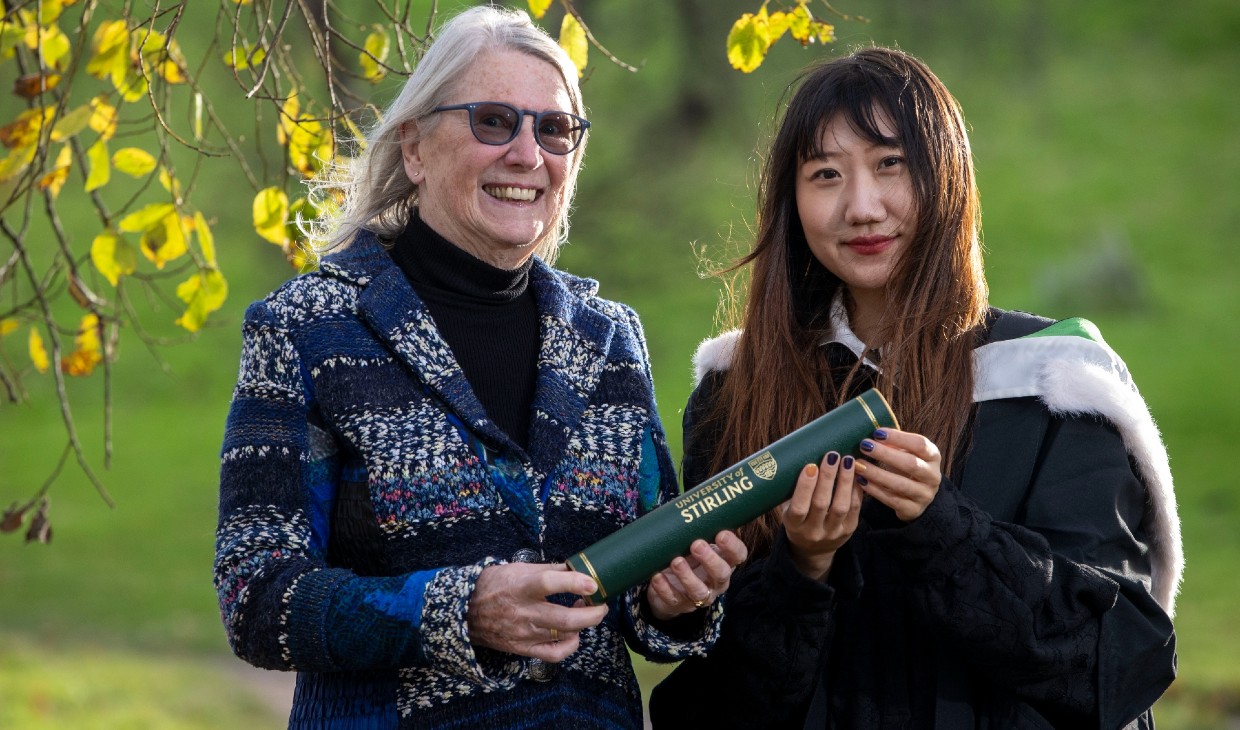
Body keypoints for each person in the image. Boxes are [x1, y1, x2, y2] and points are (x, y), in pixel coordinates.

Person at [213, 7, 745, 728]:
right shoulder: (306, 329)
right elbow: (257, 595)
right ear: (415, 148)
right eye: (494, 121)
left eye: (553, 129)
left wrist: (672, 598)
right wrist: (458, 609)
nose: (528, 153)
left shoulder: (611, 338)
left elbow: (637, 585)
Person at [649, 47, 1180, 729]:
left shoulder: (1054, 384)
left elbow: (1115, 664)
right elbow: (712, 708)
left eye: (891, 165)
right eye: (826, 174)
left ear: (948, 179)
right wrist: (801, 569)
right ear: (792, 200)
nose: (861, 207)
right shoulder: (739, 393)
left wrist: (942, 526)